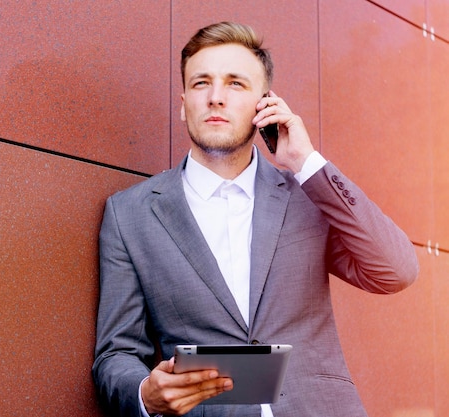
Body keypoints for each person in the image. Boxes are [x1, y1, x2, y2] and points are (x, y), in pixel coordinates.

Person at [92, 21, 418, 417]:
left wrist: (305, 163)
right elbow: (117, 352)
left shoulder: (308, 196)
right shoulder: (130, 214)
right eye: (200, 83)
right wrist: (144, 393)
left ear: (265, 105)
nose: (215, 98)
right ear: (182, 104)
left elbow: (395, 270)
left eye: (235, 84)